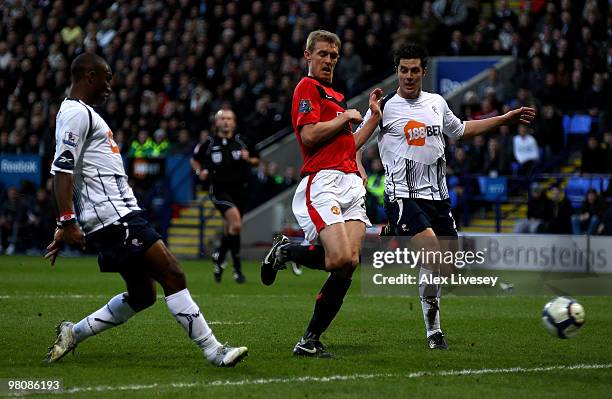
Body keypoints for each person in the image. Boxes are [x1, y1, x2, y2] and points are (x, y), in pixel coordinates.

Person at [45, 53, 247, 367]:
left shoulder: (81, 113)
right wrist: (67, 220)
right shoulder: (75, 113)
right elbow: (62, 169)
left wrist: (66, 222)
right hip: (115, 216)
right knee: (173, 274)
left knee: (142, 295)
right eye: (106, 77)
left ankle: (74, 332)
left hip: (114, 214)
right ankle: (214, 349)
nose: (110, 85)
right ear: (88, 77)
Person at [360, 44, 535, 349]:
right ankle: (436, 329)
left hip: (438, 199)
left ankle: (439, 319)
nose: (409, 76)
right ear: (397, 72)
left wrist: (504, 118)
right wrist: (360, 174)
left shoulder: (437, 103)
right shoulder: (384, 107)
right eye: (404, 70)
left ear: (424, 72)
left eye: (415, 70)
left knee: (445, 266)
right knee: (431, 251)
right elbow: (356, 144)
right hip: (401, 196)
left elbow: (462, 130)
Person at [260, 30, 383, 358]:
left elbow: (350, 144)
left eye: (333, 55)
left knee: (349, 263)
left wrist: (372, 117)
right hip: (323, 181)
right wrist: (344, 117)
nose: (329, 60)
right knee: (338, 258)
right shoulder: (307, 88)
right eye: (323, 54)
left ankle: (310, 340)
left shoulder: (336, 95)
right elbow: (310, 135)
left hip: (351, 184)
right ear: (308, 56)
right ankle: (287, 252)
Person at [191, 109, 259, 283]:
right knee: (235, 223)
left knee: (232, 228)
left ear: (234, 122)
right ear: (216, 123)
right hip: (219, 190)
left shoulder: (242, 141)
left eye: (229, 118)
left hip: (240, 190)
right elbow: (194, 159)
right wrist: (200, 171)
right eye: (222, 118)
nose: (226, 122)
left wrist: (249, 159)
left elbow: (256, 158)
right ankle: (237, 269)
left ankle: (220, 259)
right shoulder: (208, 143)